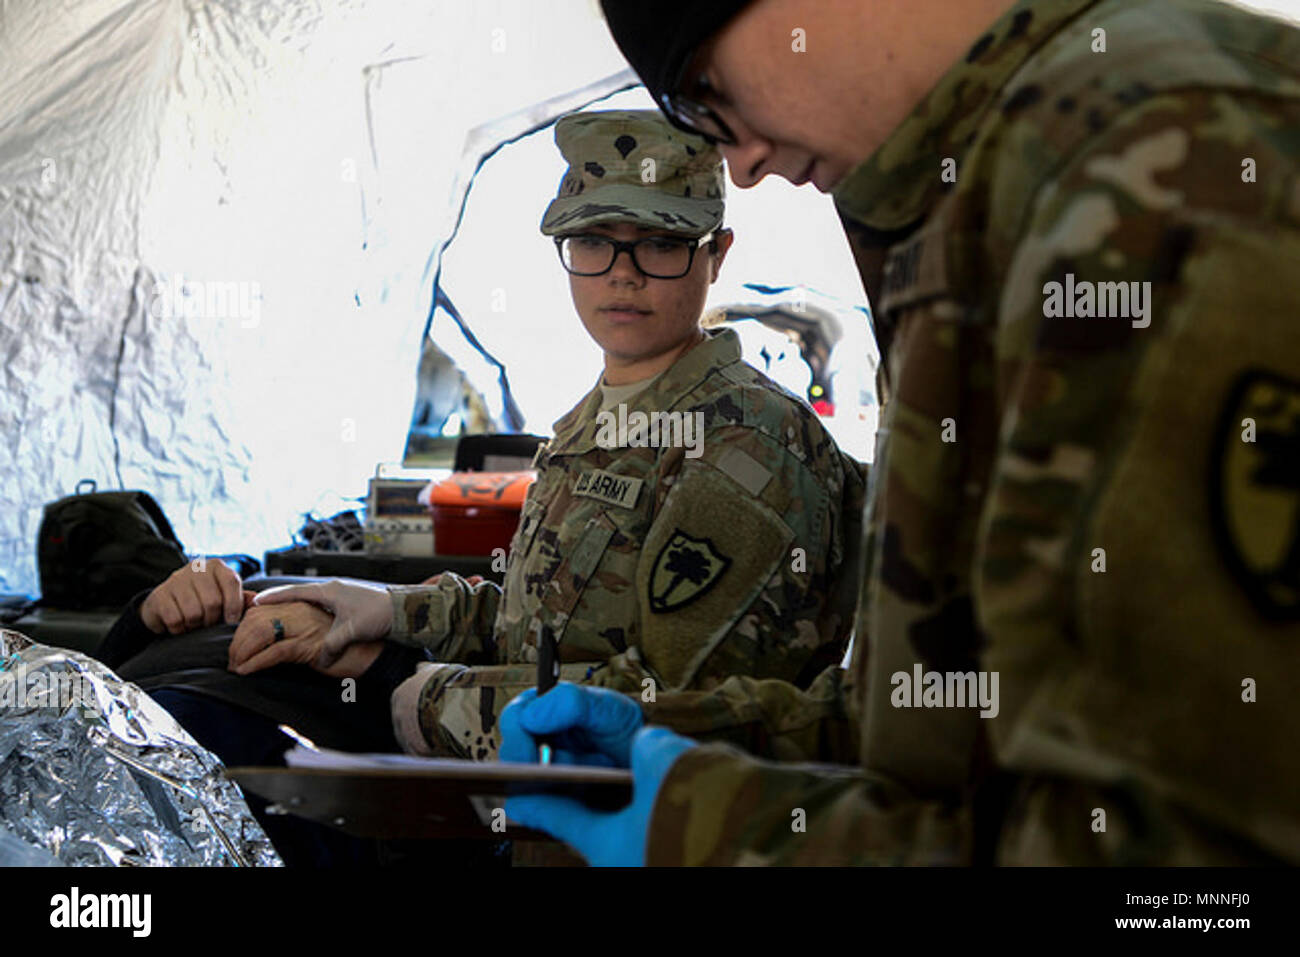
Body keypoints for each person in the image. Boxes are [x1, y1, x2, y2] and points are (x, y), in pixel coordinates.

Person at [500, 0, 1300, 866]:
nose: (742, 158)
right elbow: (945, 723)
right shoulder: (998, 173)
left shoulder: (1163, 162)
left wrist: (717, 833)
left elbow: (1191, 882)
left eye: (704, 93)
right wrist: (672, 743)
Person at [108, 110, 865, 773]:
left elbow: (675, 708)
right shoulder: (599, 417)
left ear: (717, 253)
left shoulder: (747, 444)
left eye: (660, 245)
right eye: (595, 242)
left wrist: (399, 685)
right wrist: (386, 608)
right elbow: (542, 626)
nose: (623, 276)